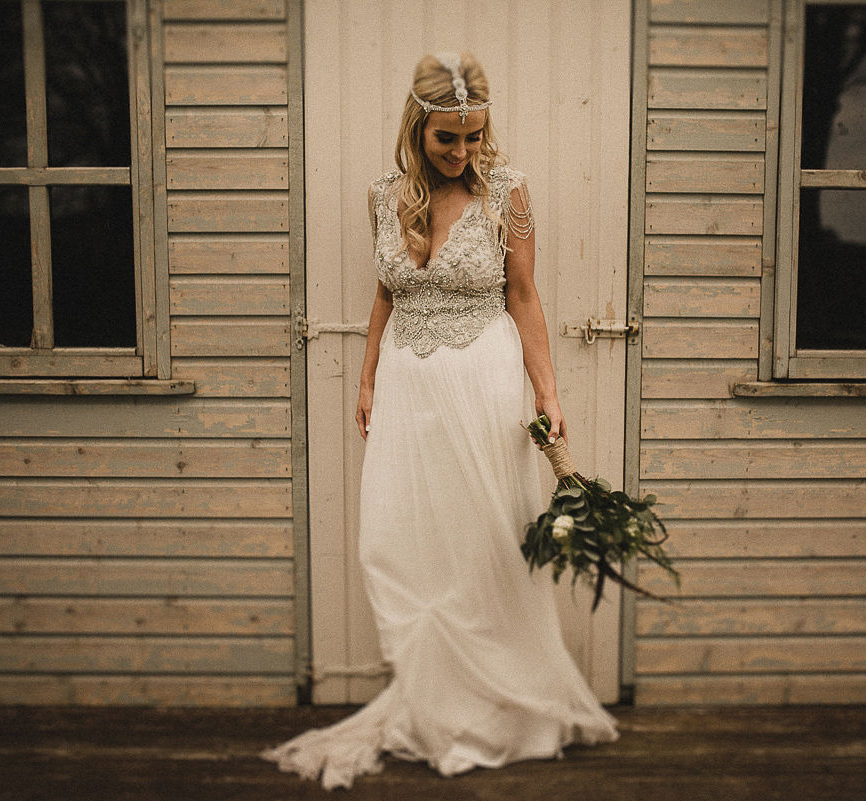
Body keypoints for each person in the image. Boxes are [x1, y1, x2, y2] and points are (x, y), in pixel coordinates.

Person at [262, 51, 618, 790]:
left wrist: (547, 392)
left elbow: (523, 296)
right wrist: (366, 377)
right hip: (406, 386)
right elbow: (386, 293)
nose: (462, 152)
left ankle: (499, 712)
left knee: (483, 543)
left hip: (482, 383)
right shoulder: (383, 195)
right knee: (407, 542)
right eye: (446, 139)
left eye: (473, 137)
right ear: (417, 130)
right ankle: (433, 706)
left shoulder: (508, 192)